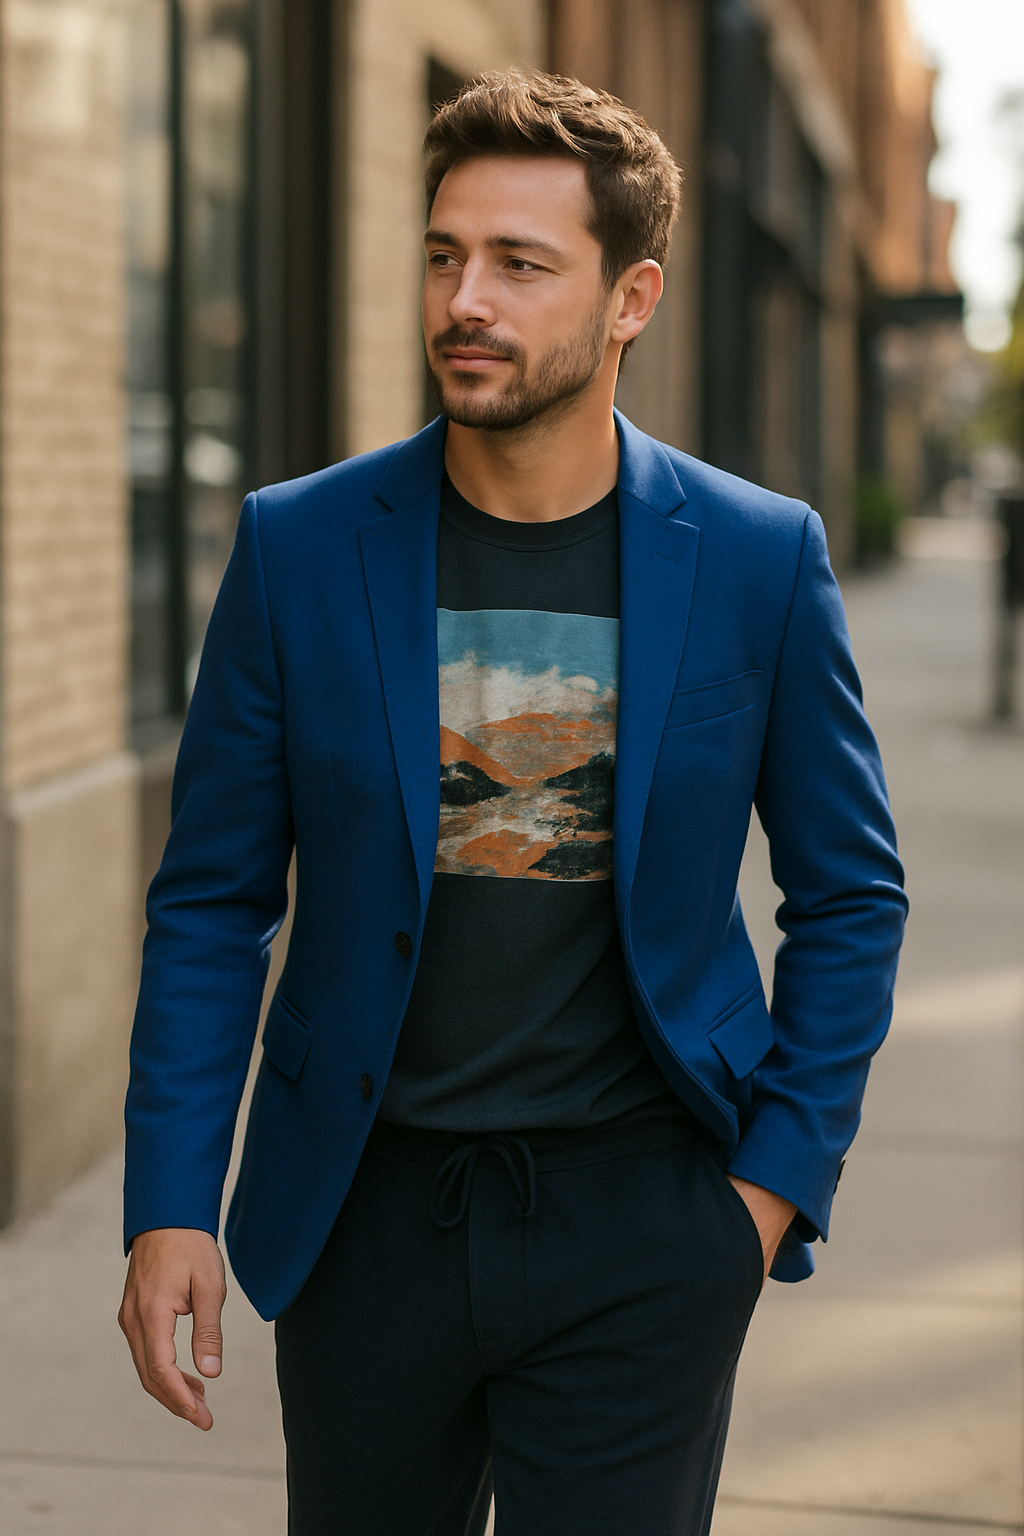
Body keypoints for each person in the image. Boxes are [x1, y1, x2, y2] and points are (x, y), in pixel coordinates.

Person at [118, 69, 907, 1536]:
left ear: (633, 298)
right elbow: (214, 901)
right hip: (364, 1219)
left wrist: (766, 1196)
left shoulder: (755, 558)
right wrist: (170, 1198)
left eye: (518, 264)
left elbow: (852, 893)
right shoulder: (298, 550)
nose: (462, 299)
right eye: (442, 254)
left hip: (642, 1222)